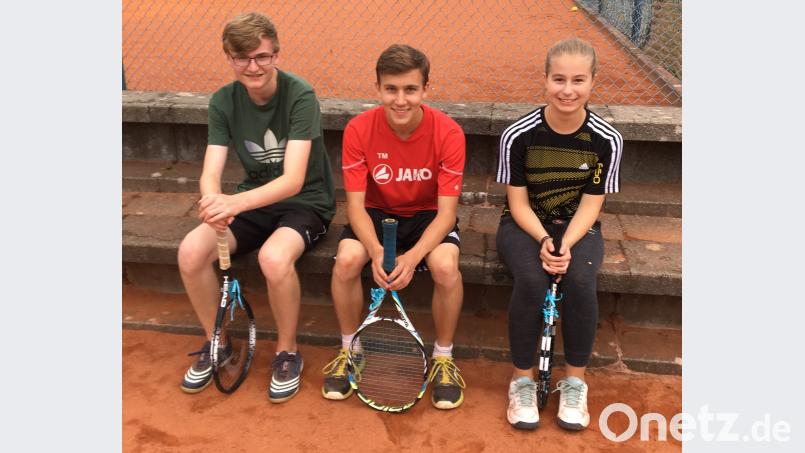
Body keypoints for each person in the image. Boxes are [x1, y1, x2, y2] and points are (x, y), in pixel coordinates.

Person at [177, 12, 335, 403]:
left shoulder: (300, 95)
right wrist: (213, 203)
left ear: (276, 54)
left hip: (306, 203)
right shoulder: (222, 101)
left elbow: (294, 179)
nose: (253, 66)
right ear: (229, 58)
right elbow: (210, 170)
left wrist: (235, 201)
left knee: (274, 259)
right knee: (190, 252)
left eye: (262, 56)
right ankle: (219, 342)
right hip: (252, 202)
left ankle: (287, 351)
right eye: (242, 57)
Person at [320, 44, 467, 409]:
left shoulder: (449, 133)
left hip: (427, 217)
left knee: (445, 266)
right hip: (374, 214)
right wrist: (376, 251)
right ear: (378, 88)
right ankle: (350, 349)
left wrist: (413, 256)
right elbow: (354, 205)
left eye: (410, 90)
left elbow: (447, 214)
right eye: (391, 89)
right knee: (346, 260)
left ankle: (444, 358)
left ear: (425, 90)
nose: (400, 100)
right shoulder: (358, 130)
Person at [495, 38, 623, 430]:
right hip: (524, 225)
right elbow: (517, 204)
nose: (568, 90)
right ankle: (521, 380)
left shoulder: (607, 140)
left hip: (578, 228)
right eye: (559, 79)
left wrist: (565, 243)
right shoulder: (518, 136)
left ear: (593, 83)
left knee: (581, 280)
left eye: (578, 80)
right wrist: (544, 241)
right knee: (533, 280)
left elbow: (591, 205)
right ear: (546, 80)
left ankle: (575, 383)